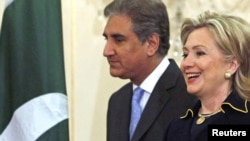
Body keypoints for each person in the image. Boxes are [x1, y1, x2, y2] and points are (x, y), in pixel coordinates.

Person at [102, 0, 196, 141]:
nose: (107, 51)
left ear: (151, 44)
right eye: (106, 39)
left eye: (119, 40)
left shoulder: (192, 95)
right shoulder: (118, 101)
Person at [164, 11, 250, 141]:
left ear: (231, 65)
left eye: (200, 53)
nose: (186, 63)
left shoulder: (244, 121)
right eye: (185, 54)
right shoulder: (176, 127)